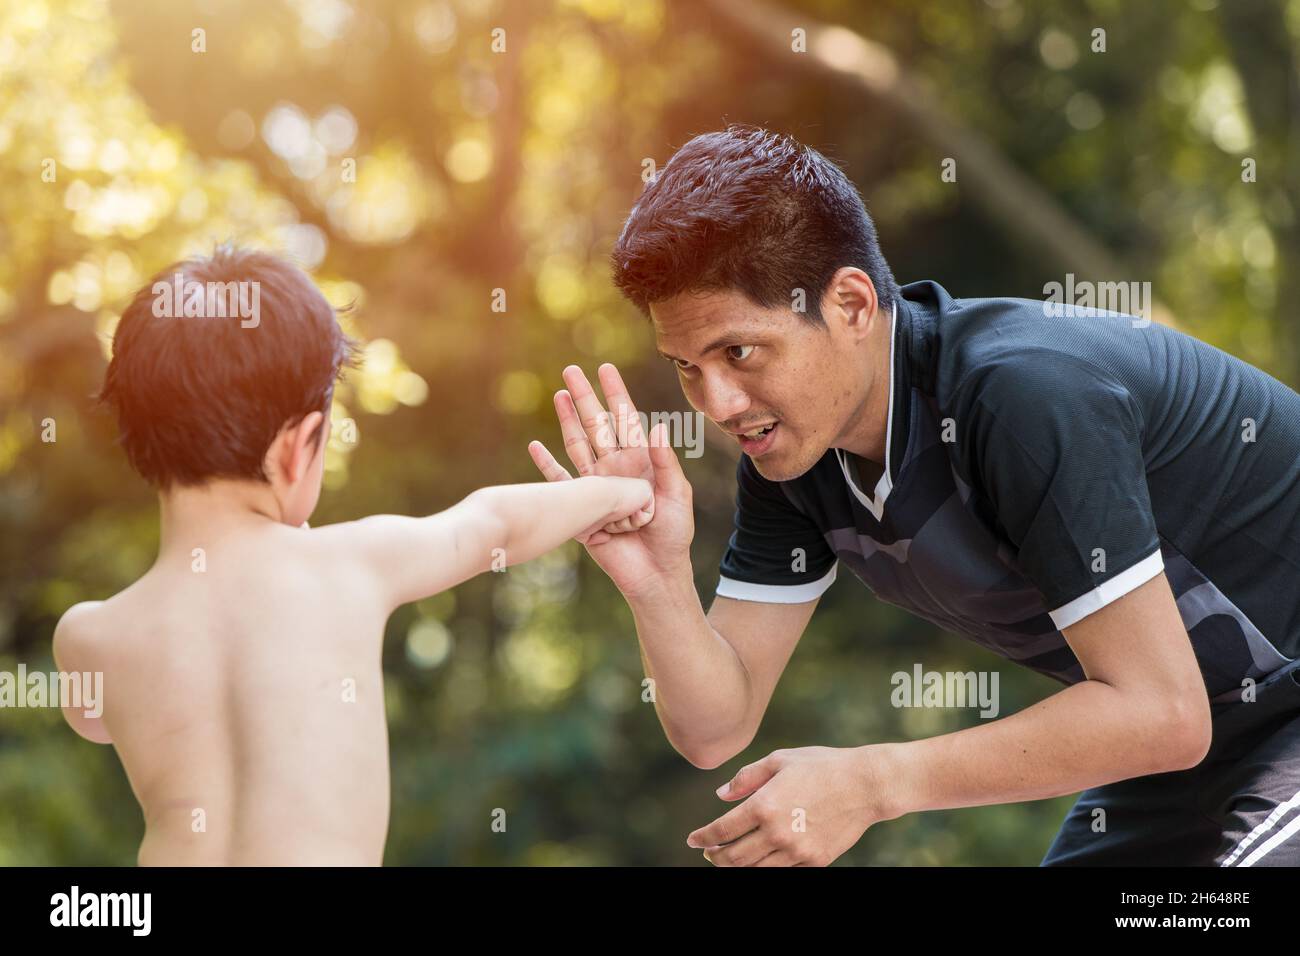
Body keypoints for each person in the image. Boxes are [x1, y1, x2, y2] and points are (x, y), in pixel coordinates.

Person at [529, 125, 1300, 867]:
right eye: (688, 367)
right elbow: (715, 727)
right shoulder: (793, 460)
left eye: (740, 351)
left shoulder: (1023, 397)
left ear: (853, 305)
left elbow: (1162, 715)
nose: (720, 403)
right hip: (1214, 738)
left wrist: (874, 783)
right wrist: (657, 581)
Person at [53, 246, 654, 865]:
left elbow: (98, 718)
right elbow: (493, 525)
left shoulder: (91, 636)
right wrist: (619, 491)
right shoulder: (350, 563)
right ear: (300, 446)